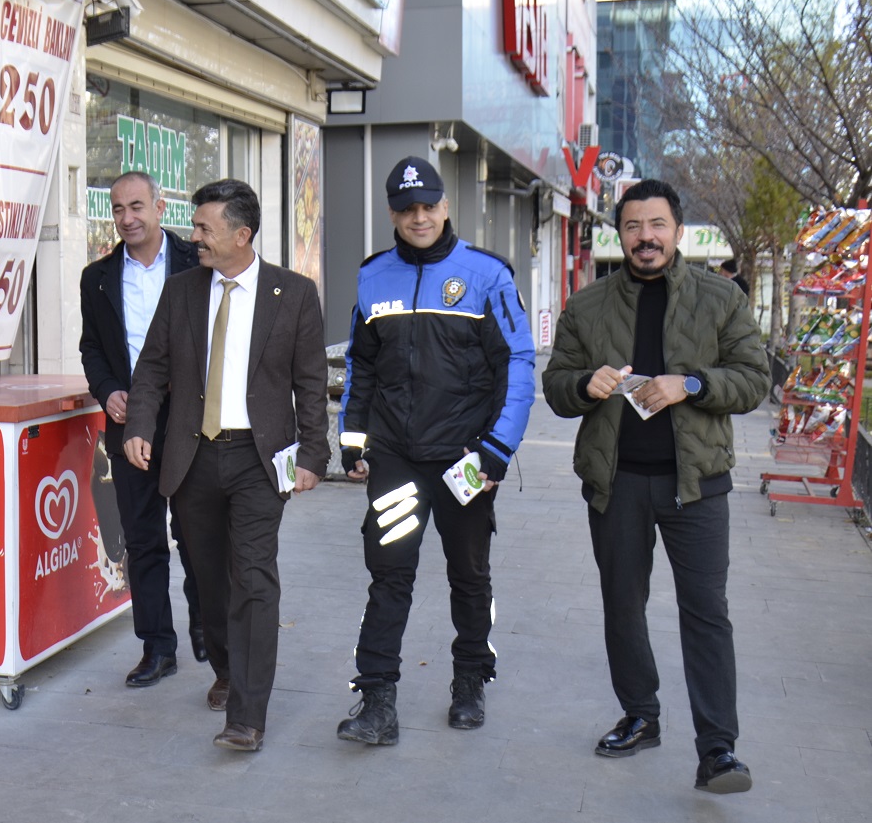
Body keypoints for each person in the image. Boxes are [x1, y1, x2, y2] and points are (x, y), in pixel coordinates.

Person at [541, 178, 769, 795]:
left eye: (658, 225)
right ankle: (641, 714)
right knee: (623, 605)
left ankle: (719, 750)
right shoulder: (586, 306)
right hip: (617, 485)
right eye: (635, 226)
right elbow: (557, 386)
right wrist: (583, 383)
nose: (646, 237)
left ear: (677, 230)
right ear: (621, 233)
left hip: (697, 486)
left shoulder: (720, 299)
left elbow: (754, 379)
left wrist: (689, 385)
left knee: (706, 613)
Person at [123, 178, 329, 753]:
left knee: (254, 580)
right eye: (194, 227)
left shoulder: (294, 294)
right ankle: (225, 667)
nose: (194, 239)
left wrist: (314, 454)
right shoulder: (183, 290)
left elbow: (311, 384)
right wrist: (139, 425)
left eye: (204, 229)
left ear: (243, 234)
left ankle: (247, 715)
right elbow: (152, 369)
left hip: (260, 460)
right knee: (208, 581)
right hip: (192, 457)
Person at [335, 156, 535, 746]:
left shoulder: (486, 275)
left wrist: (497, 450)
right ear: (393, 214)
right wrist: (353, 441)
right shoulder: (373, 277)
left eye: (428, 206)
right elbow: (360, 366)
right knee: (388, 575)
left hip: (464, 458)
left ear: (446, 206)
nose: (418, 218)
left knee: (469, 575)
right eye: (406, 209)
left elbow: (518, 366)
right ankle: (377, 701)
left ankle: (470, 679)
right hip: (395, 457)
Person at [79, 171, 205, 688]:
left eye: (137, 207)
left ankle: (208, 631)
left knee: (198, 536)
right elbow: (91, 347)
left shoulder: (197, 264)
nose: (127, 219)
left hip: (192, 424)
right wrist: (107, 390)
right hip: (130, 423)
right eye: (117, 210)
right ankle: (158, 647)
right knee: (143, 539)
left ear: (159, 207)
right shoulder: (99, 277)